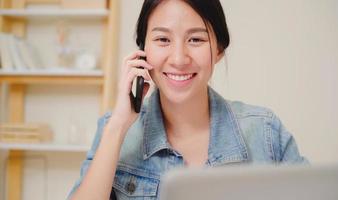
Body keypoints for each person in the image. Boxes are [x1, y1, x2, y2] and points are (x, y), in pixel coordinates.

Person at [68, 0, 308, 199]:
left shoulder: (266, 132)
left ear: (219, 50)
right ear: (143, 52)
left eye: (196, 40)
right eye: (163, 40)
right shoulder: (114, 130)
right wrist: (118, 125)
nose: (179, 58)